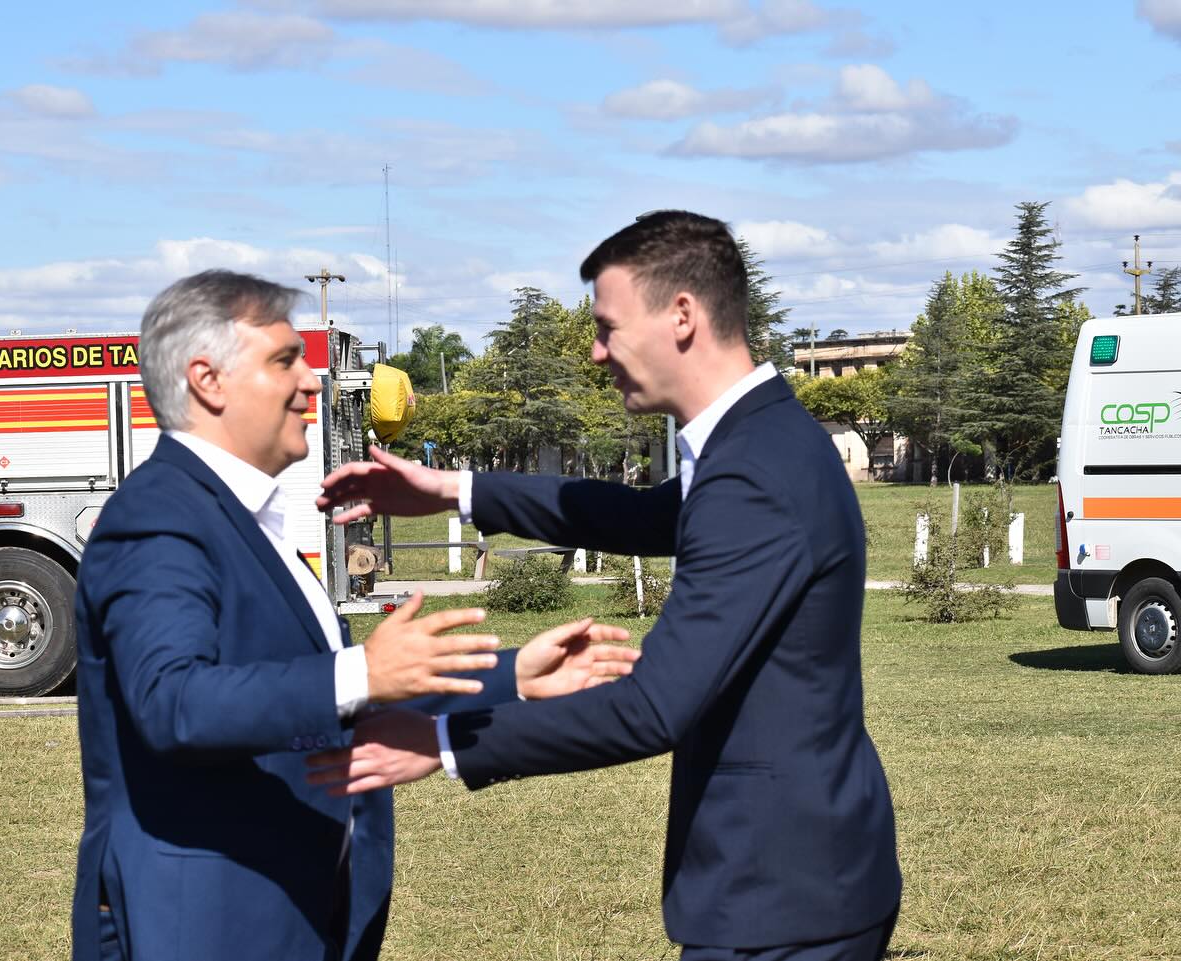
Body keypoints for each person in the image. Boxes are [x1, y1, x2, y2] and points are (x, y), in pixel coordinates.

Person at [310, 211, 903, 961]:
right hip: (804, 875)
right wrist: (449, 488)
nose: (596, 353)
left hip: (781, 897)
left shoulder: (752, 471)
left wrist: (441, 741)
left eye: (608, 326)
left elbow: (654, 705)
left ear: (682, 315)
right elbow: (633, 515)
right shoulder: (765, 441)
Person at [71, 269, 638, 961]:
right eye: (285, 360)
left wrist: (516, 673)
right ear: (206, 381)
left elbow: (329, 689)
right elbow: (172, 701)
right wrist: (363, 669)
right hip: (209, 925)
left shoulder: (243, 515)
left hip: (293, 910)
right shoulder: (160, 518)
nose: (312, 382)